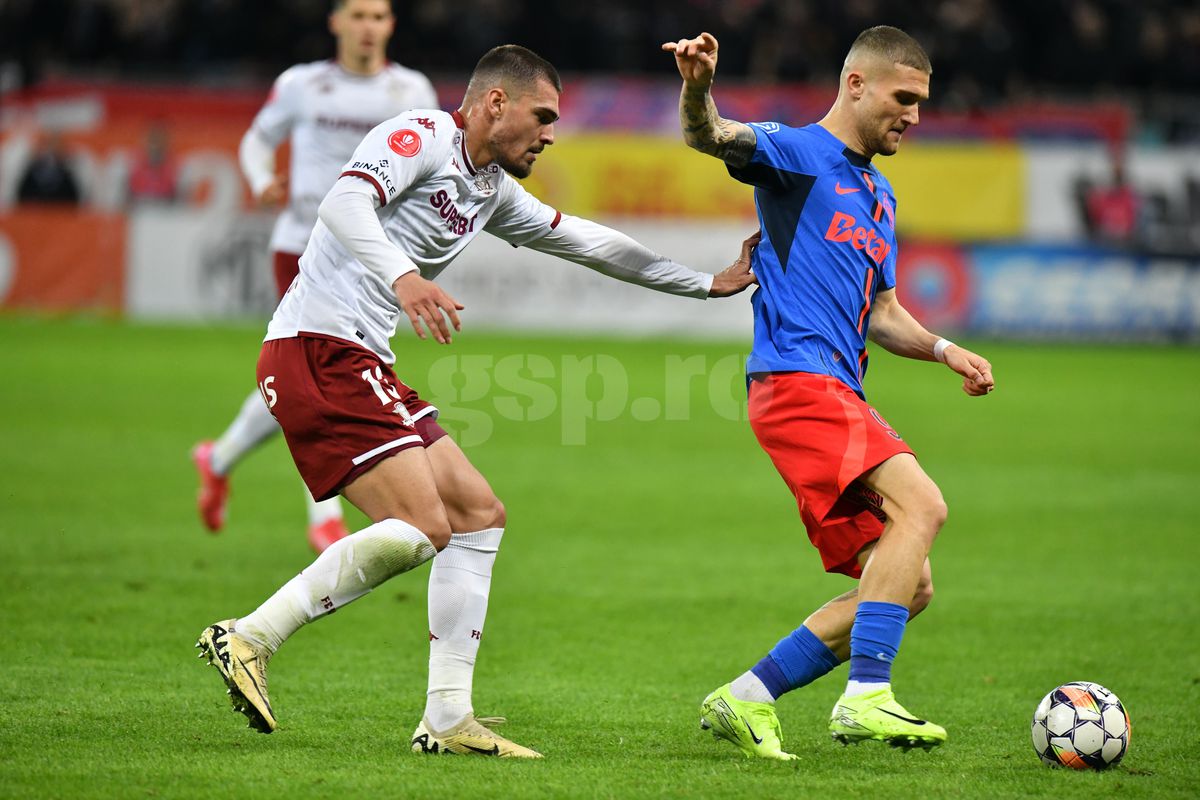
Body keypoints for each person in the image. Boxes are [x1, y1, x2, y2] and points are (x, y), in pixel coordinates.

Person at [195, 44, 758, 758]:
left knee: (477, 516)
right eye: (543, 115)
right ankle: (250, 637)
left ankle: (448, 717)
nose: (551, 133)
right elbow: (344, 201)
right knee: (423, 526)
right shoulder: (422, 136)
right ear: (497, 103)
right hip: (319, 347)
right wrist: (405, 279)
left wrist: (703, 282)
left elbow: (585, 241)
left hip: (360, 358)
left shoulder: (490, 189)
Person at [661, 27, 995, 759]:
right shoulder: (799, 155)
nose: (912, 114)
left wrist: (943, 350)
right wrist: (697, 85)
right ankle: (866, 696)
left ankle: (746, 697)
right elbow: (708, 134)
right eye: (902, 98)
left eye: (921, 103)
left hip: (834, 388)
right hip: (796, 380)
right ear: (855, 85)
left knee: (908, 585)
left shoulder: (880, 195)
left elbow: (882, 314)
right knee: (924, 505)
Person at [192, 0, 437, 554]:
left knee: (301, 377)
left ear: (391, 26)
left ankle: (219, 458)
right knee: (314, 374)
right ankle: (324, 515)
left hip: (367, 255)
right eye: (357, 15)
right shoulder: (304, 84)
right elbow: (257, 139)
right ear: (335, 23)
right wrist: (258, 178)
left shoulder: (412, 92)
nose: (367, 27)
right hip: (301, 243)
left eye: (378, 16)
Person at [17, 132, 81, 205]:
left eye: (55, 148)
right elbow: (22, 198)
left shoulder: (66, 174)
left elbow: (73, 200)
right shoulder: (31, 173)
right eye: (45, 147)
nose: (49, 153)